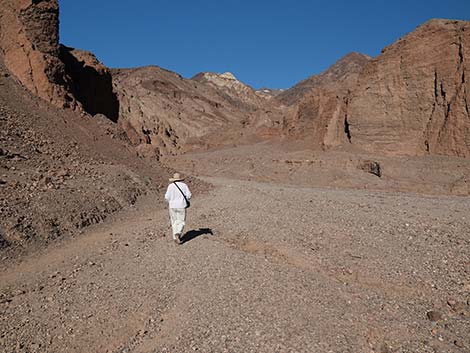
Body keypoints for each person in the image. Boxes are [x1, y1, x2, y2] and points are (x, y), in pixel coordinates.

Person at [164, 173, 192, 244]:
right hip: (181, 205)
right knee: (181, 221)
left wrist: (171, 201)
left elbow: (167, 197)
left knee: (174, 221)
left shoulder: (170, 186)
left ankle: (174, 237)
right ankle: (178, 233)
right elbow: (189, 195)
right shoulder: (184, 185)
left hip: (172, 206)